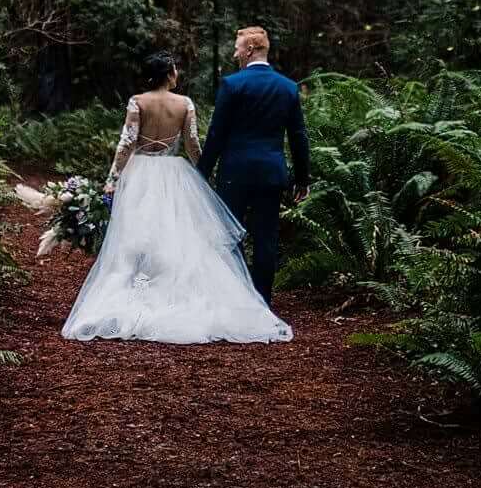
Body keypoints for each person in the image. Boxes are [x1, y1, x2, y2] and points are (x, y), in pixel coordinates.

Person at [60, 51, 292, 344]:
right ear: (170, 74)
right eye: (175, 70)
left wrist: (112, 179)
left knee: (137, 234)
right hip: (173, 173)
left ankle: (138, 292)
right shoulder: (185, 103)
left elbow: (127, 143)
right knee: (175, 234)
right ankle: (170, 291)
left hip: (140, 172)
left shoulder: (138, 101)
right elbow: (193, 143)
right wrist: (202, 173)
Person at [196, 25, 310, 308]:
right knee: (266, 239)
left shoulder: (233, 85)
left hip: (235, 172)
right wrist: (302, 178)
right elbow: (298, 135)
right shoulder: (288, 87)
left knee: (228, 235)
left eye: (237, 48)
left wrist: (201, 174)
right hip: (271, 173)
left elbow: (216, 135)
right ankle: (262, 304)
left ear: (249, 50)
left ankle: (232, 300)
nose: (234, 53)